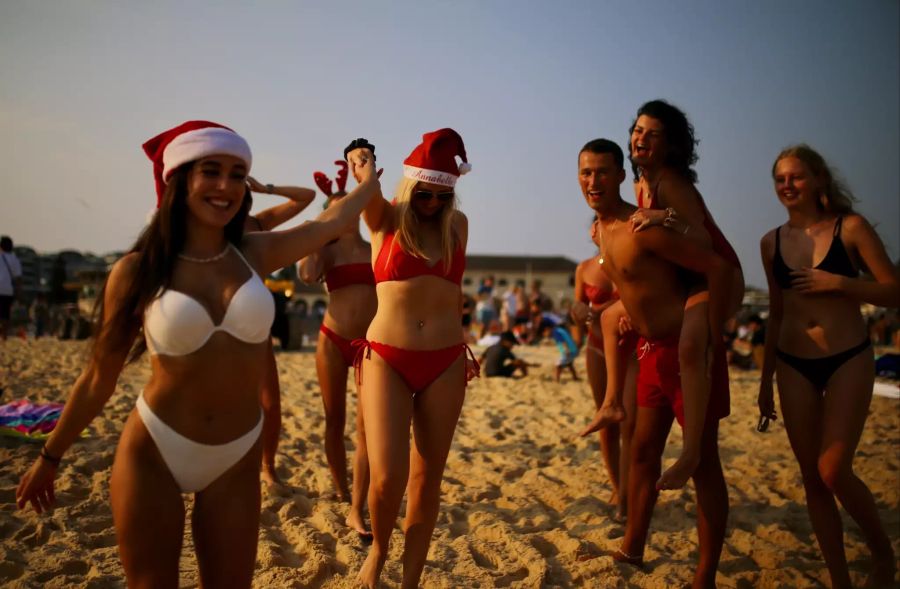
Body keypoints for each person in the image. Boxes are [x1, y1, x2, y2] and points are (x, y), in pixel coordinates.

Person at [15, 120, 380, 587]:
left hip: (236, 455)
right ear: (179, 178)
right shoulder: (138, 270)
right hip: (156, 450)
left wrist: (368, 179)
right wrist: (50, 456)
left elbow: (331, 220)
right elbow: (96, 378)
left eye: (236, 173)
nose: (226, 185)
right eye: (211, 170)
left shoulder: (256, 252)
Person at [578, 138, 732, 588]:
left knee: (704, 464)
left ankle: (704, 577)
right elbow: (634, 284)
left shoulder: (640, 227)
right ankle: (632, 547)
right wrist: (627, 314)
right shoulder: (599, 230)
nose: (594, 181)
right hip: (649, 352)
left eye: (603, 172)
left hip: (687, 351)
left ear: (622, 176)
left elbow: (714, 267)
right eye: (586, 172)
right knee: (642, 451)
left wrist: (704, 328)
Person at [758, 145, 898, 588]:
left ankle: (882, 554)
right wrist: (764, 382)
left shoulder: (850, 228)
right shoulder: (771, 242)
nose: (787, 185)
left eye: (796, 177)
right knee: (811, 477)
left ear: (818, 179)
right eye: (780, 179)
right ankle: (839, 580)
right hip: (792, 363)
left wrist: (839, 283)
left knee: (832, 469)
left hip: (847, 357)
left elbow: (893, 292)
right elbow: (776, 313)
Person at [349, 128, 478, 589]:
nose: (432, 203)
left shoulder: (457, 226)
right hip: (387, 357)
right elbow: (368, 197)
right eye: (424, 193)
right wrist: (362, 165)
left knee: (427, 478)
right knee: (386, 477)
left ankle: (410, 581)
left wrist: (445, 205)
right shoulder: (385, 218)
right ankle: (379, 551)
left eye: (443, 196)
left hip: (445, 359)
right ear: (410, 186)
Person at [610, 100, 745, 490]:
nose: (641, 139)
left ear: (670, 145)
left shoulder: (670, 181)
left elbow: (703, 239)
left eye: (653, 134)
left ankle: (689, 454)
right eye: (638, 130)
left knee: (691, 346)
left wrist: (663, 216)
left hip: (718, 275)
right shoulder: (640, 184)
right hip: (687, 281)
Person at [298, 153, 377, 540]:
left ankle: (356, 506)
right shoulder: (325, 252)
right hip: (332, 339)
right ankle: (342, 487)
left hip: (369, 344)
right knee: (334, 420)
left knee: (366, 428)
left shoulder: (375, 247)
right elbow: (308, 275)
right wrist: (317, 234)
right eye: (334, 211)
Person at [244, 174, 316, 487]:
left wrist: (266, 188)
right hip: (213, 325)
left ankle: (268, 467)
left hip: (253, 324)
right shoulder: (203, 227)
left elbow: (307, 196)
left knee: (270, 403)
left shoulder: (256, 225)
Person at [570, 244, 632, 516]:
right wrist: (578, 314)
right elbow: (578, 309)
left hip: (630, 349)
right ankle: (618, 487)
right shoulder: (584, 268)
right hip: (596, 345)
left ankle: (628, 493)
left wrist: (604, 308)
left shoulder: (631, 262)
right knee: (605, 418)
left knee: (629, 421)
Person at [0, 235, 23, 341]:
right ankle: (4, 335)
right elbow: (18, 278)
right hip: (8, 290)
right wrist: (18, 292)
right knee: (5, 314)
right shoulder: (15, 259)